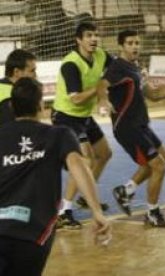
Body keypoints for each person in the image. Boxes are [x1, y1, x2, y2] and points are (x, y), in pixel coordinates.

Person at [0, 78, 111, 276]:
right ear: (41, 105)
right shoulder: (59, 135)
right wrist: (96, 211)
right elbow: (79, 167)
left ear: (11, 106)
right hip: (32, 233)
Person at [97, 30, 165, 227]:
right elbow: (101, 85)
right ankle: (152, 213)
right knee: (159, 166)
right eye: (130, 43)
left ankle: (126, 190)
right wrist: (103, 100)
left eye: (137, 42)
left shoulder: (136, 68)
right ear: (121, 46)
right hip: (127, 126)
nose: (135, 46)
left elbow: (153, 95)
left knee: (164, 157)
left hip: (141, 124)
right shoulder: (118, 66)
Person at [51, 21, 113, 229]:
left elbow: (117, 71)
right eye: (88, 35)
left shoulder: (101, 55)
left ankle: (87, 196)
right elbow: (76, 99)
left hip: (84, 116)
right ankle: (64, 211)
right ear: (79, 40)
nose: (94, 39)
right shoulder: (71, 64)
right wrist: (99, 90)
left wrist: (135, 71)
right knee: (83, 161)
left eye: (96, 35)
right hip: (66, 116)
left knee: (104, 153)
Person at [0, 49, 37, 125]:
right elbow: (10, 131)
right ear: (16, 72)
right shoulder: (10, 97)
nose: (35, 75)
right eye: (32, 71)